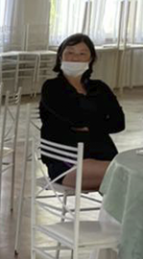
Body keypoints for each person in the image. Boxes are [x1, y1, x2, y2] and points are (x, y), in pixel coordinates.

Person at [40, 33, 125, 190]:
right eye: (70, 52)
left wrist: (88, 126)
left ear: (91, 59)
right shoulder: (52, 87)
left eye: (82, 54)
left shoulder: (100, 88)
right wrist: (100, 123)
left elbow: (119, 122)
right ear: (60, 56)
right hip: (67, 161)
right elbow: (76, 119)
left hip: (104, 155)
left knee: (130, 179)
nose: (75, 58)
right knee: (127, 175)